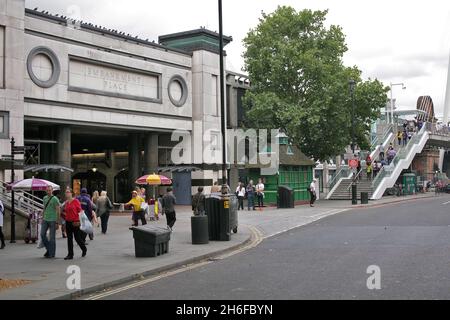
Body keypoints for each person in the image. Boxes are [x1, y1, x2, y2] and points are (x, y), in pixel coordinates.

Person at [63, 188, 87, 260]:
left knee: (77, 238)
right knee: (69, 239)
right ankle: (70, 254)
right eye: (66, 192)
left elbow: (80, 211)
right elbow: (64, 211)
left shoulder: (76, 201)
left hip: (75, 222)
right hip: (68, 222)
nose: (67, 193)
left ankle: (84, 248)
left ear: (71, 193)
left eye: (68, 192)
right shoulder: (66, 202)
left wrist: (80, 221)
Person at [40, 185, 60, 259]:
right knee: (42, 234)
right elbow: (44, 207)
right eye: (47, 190)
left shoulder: (55, 199)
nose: (48, 191)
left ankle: (52, 253)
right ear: (46, 191)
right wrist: (42, 216)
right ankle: (49, 249)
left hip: (53, 220)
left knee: (52, 238)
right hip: (45, 219)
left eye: (50, 190)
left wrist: (57, 222)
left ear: (52, 191)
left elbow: (58, 210)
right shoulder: (44, 198)